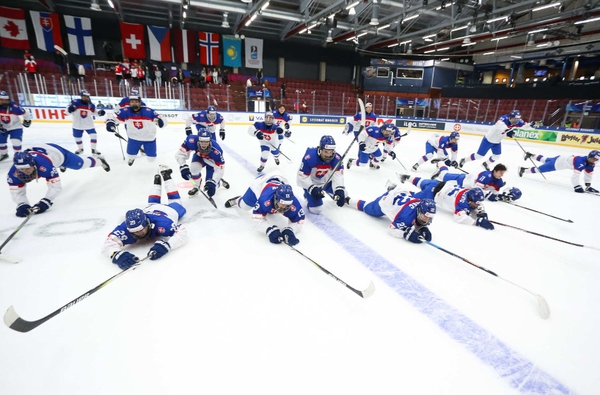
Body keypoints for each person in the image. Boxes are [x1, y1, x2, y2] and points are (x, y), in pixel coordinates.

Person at [101, 166, 188, 270]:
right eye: (135, 231)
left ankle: (167, 177)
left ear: (147, 223)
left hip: (169, 211)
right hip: (150, 209)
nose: (140, 233)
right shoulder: (126, 228)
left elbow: (182, 232)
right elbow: (108, 245)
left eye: (141, 229)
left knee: (175, 201)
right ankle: (157, 180)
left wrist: (168, 245)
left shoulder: (162, 224)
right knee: (152, 202)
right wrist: (116, 255)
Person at [6, 146, 110, 217]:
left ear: (33, 164)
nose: (25, 172)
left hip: (57, 153)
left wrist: (46, 201)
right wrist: (22, 204)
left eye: (27, 168)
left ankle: (99, 160)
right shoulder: (13, 173)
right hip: (44, 154)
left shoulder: (45, 166)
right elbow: (16, 191)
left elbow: (56, 187)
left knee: (80, 164)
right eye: (21, 169)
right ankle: (59, 166)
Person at [224, 174, 305, 246]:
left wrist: (291, 230)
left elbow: (300, 220)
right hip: (259, 185)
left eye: (287, 205)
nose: (285, 207)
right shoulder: (265, 200)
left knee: (272, 210)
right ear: (276, 199)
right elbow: (256, 219)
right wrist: (268, 230)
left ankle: (269, 210)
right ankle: (237, 200)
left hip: (277, 181)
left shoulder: (293, 203)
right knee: (244, 206)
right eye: (282, 204)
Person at [398, 175, 494, 230]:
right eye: (476, 202)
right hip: (431, 194)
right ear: (470, 199)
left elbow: (477, 201)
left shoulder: (468, 192)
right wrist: (476, 221)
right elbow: (459, 218)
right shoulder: (461, 204)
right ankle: (395, 189)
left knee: (420, 181)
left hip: (439, 183)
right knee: (412, 198)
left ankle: (406, 177)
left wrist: (481, 211)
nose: (478, 204)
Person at [347, 185, 436, 243]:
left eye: (429, 217)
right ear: (419, 211)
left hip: (402, 193)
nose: (427, 219)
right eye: (425, 216)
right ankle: (347, 200)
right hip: (387, 201)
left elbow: (417, 219)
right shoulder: (406, 218)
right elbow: (391, 229)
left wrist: (422, 227)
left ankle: (393, 187)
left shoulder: (420, 204)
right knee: (367, 208)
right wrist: (404, 234)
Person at [459, 110, 539, 170]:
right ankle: (464, 160)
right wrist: (508, 131)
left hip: (497, 142)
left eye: (517, 120)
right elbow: (501, 127)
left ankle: (485, 164)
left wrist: (531, 125)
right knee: (478, 156)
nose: (516, 121)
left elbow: (524, 126)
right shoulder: (503, 119)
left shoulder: (517, 122)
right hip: (488, 140)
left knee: (496, 156)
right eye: (515, 119)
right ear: (511, 117)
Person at [105, 92, 167, 166]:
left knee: (151, 159)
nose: (134, 104)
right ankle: (132, 157)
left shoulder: (148, 111)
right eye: (132, 102)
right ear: (129, 103)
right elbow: (112, 115)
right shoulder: (125, 111)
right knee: (130, 155)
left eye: (136, 102)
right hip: (134, 138)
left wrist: (162, 122)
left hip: (149, 138)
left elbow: (161, 118)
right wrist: (110, 122)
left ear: (140, 103)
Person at [297, 135, 347, 214]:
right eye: (326, 152)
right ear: (320, 149)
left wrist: (339, 189)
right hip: (312, 183)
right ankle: (307, 197)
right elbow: (302, 176)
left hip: (326, 182)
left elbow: (338, 175)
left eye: (330, 152)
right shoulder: (310, 158)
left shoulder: (336, 158)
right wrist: (312, 188)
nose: (328, 155)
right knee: (316, 210)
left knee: (344, 194)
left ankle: (328, 190)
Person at [519, 150, 599, 193]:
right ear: (589, 157)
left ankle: (531, 155)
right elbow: (575, 176)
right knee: (540, 169)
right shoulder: (580, 162)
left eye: (597, 160)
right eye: (594, 159)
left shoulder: (590, 164)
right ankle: (524, 170)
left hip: (562, 158)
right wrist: (577, 186)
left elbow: (588, 174)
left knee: (546, 159)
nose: (595, 161)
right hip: (558, 163)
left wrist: (588, 185)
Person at [433, 163, 522, 202]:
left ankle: (440, 167)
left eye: (503, 173)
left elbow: (494, 191)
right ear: (495, 171)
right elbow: (477, 188)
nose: (501, 175)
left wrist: (499, 196)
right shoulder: (487, 176)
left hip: (465, 186)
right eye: (500, 173)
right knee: (443, 175)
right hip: (463, 180)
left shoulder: (499, 181)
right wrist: (488, 195)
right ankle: (441, 163)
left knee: (443, 178)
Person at [176, 128, 226, 198]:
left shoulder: (217, 151)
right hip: (199, 157)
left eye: (206, 142)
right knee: (194, 168)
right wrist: (183, 165)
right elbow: (180, 154)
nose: (204, 144)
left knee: (210, 185)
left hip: (211, 163)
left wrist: (214, 181)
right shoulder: (191, 141)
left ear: (210, 141)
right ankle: (196, 186)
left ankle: (218, 183)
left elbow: (220, 168)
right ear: (198, 140)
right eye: (202, 141)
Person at [67, 90, 106, 155]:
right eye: (84, 96)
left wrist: (99, 113)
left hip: (89, 124)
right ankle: (80, 149)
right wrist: (69, 110)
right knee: (77, 138)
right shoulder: (74, 102)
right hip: (77, 124)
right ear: (81, 96)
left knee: (94, 136)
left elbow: (95, 113)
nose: (85, 97)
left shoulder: (91, 105)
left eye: (87, 96)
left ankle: (93, 149)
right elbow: (67, 112)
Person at [0, 90, 31, 162]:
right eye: (2, 100)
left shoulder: (14, 107)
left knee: (16, 141)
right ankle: (4, 154)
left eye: (6, 100)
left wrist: (27, 120)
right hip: (3, 126)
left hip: (15, 126)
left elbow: (25, 112)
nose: (4, 102)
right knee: (1, 142)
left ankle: (18, 155)